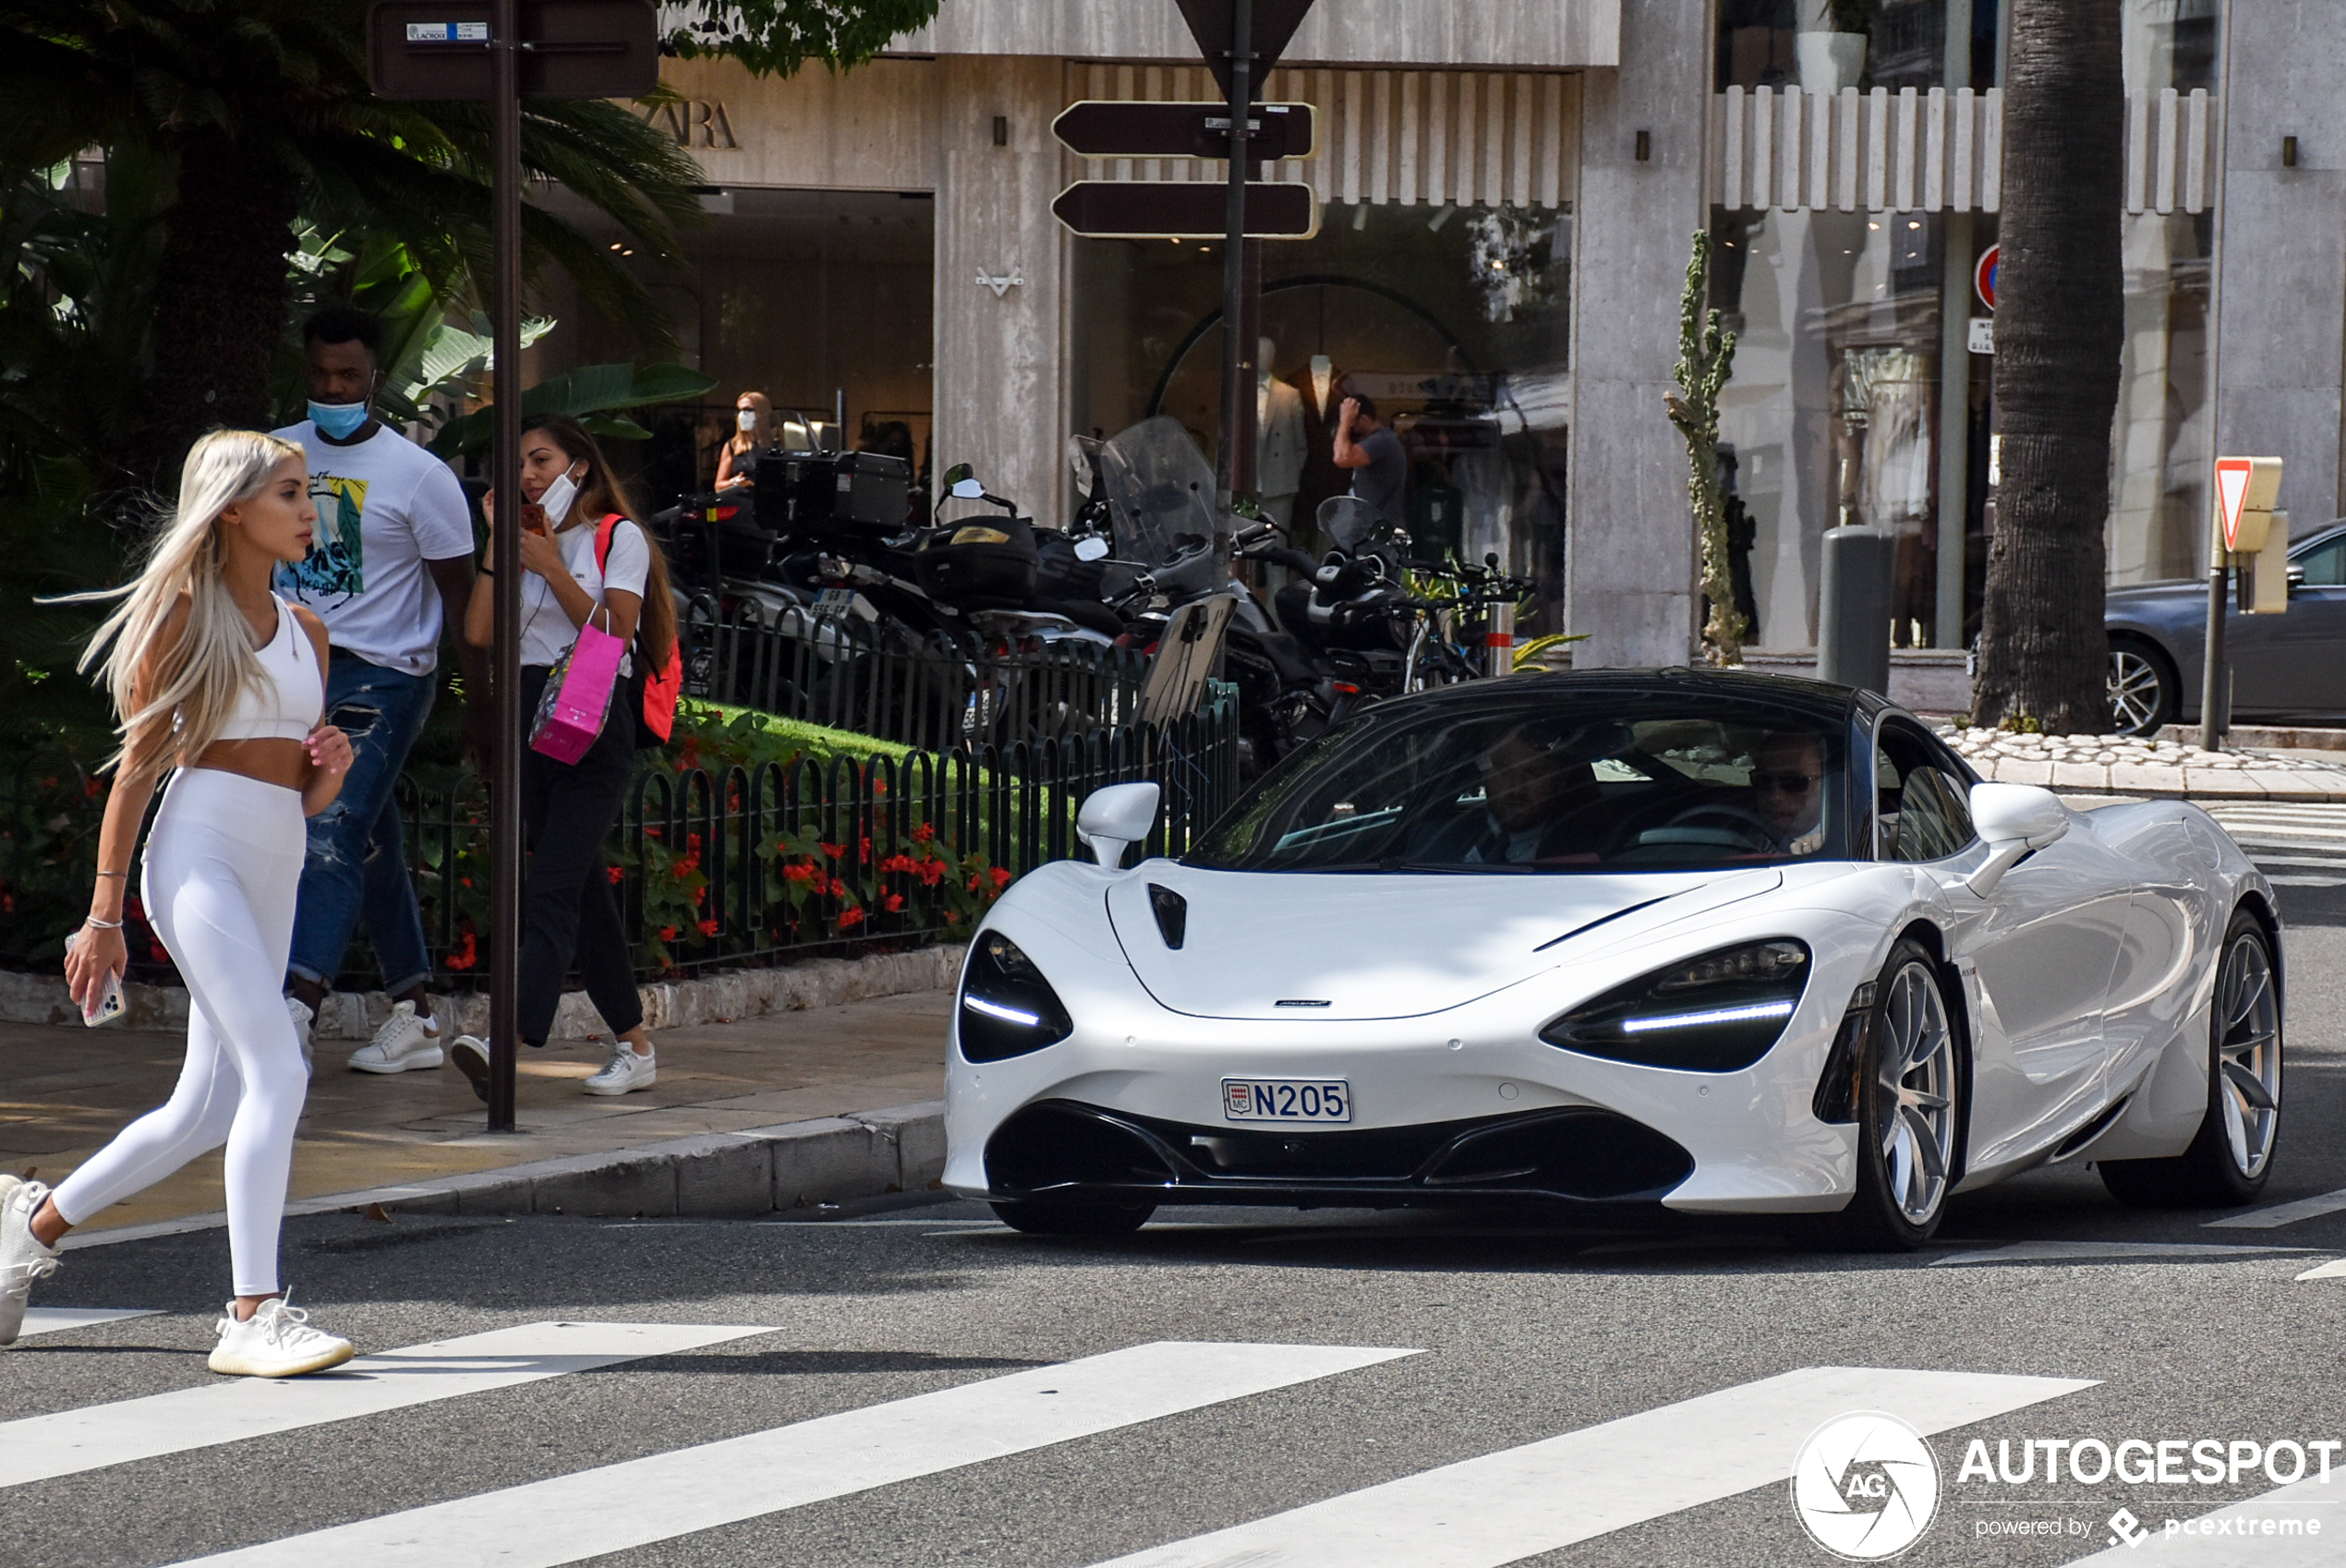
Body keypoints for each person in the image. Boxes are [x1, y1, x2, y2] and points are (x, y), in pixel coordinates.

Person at [0, 430, 358, 1375]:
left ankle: (23, 1231)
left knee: (206, 1108)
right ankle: (251, 1314)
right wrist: (105, 914)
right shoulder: (181, 616)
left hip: (276, 851)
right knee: (279, 1069)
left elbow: (296, 787)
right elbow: (137, 774)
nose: (306, 509)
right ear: (232, 507)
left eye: (306, 492)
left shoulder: (306, 629)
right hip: (195, 854)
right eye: (289, 492)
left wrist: (331, 772)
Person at [275, 308, 484, 1076]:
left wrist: (481, 712)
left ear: (377, 381)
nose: (334, 387)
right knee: (367, 839)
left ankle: (292, 1011)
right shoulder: (278, 453)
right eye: (322, 374)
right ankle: (417, 1014)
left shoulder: (420, 477)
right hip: (295, 668)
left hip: (383, 676)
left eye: (350, 377)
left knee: (326, 829)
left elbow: (462, 604)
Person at [451, 416, 680, 1100]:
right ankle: (635, 1045)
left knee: (548, 887)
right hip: (530, 711)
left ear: (578, 467)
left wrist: (552, 565)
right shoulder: (518, 542)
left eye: (540, 460)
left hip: (591, 710)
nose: (526, 475)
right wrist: (503, 547)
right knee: (579, 889)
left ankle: (508, 1041)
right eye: (518, 464)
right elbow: (479, 630)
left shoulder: (619, 537)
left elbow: (615, 631)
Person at [1333, 390, 1408, 527]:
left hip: (1380, 526)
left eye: (1353, 426)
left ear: (1364, 419)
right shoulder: (1381, 439)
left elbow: (1342, 458)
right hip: (1366, 523)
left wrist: (1345, 421)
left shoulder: (1382, 440)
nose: (1351, 431)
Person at [1750, 731, 1830, 856]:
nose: (1775, 796)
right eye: (1763, 779)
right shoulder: (1734, 834)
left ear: (1826, 784)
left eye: (1793, 782)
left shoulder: (1851, 841)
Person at [713, 391, 772, 491]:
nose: (742, 415)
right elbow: (718, 486)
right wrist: (735, 482)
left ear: (762, 411)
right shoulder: (733, 445)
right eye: (738, 410)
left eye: (747, 410)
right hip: (744, 501)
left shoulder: (778, 442)